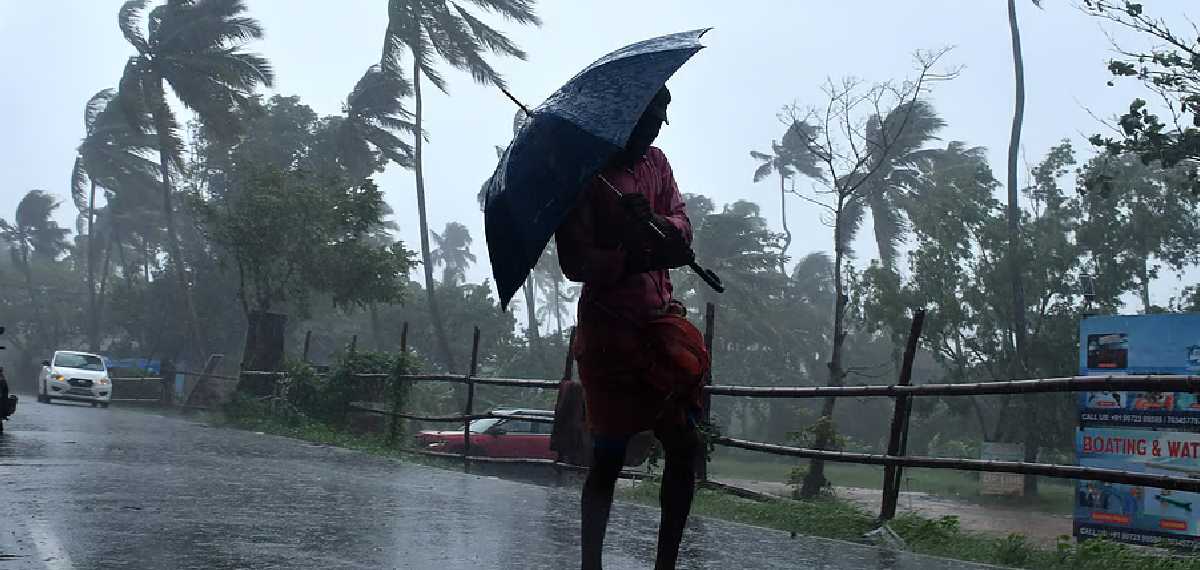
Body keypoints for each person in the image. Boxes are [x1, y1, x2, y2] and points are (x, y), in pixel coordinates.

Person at [556, 86, 705, 570]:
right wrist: (627, 248)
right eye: (649, 118)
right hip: (609, 335)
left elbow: (682, 224)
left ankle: (666, 564)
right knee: (608, 457)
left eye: (662, 118)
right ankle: (591, 565)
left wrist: (656, 223)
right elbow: (574, 262)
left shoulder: (657, 165)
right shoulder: (585, 174)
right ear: (626, 117)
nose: (656, 127)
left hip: (660, 325)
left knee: (684, 446)